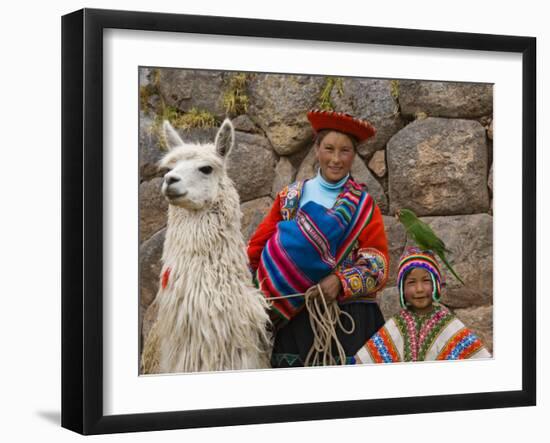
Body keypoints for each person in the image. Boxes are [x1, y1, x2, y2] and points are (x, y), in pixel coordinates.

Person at [247, 109, 389, 368]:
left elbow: (378, 265)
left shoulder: (364, 207)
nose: (336, 159)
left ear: (354, 155)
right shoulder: (289, 198)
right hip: (293, 319)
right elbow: (256, 251)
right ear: (317, 150)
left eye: (345, 151)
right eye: (329, 149)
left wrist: (340, 281)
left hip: (349, 322)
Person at [353, 247, 491, 364]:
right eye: (411, 282)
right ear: (402, 289)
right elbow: (365, 362)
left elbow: (478, 361)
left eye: (426, 280)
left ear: (435, 285)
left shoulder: (449, 326)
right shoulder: (395, 326)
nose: (419, 289)